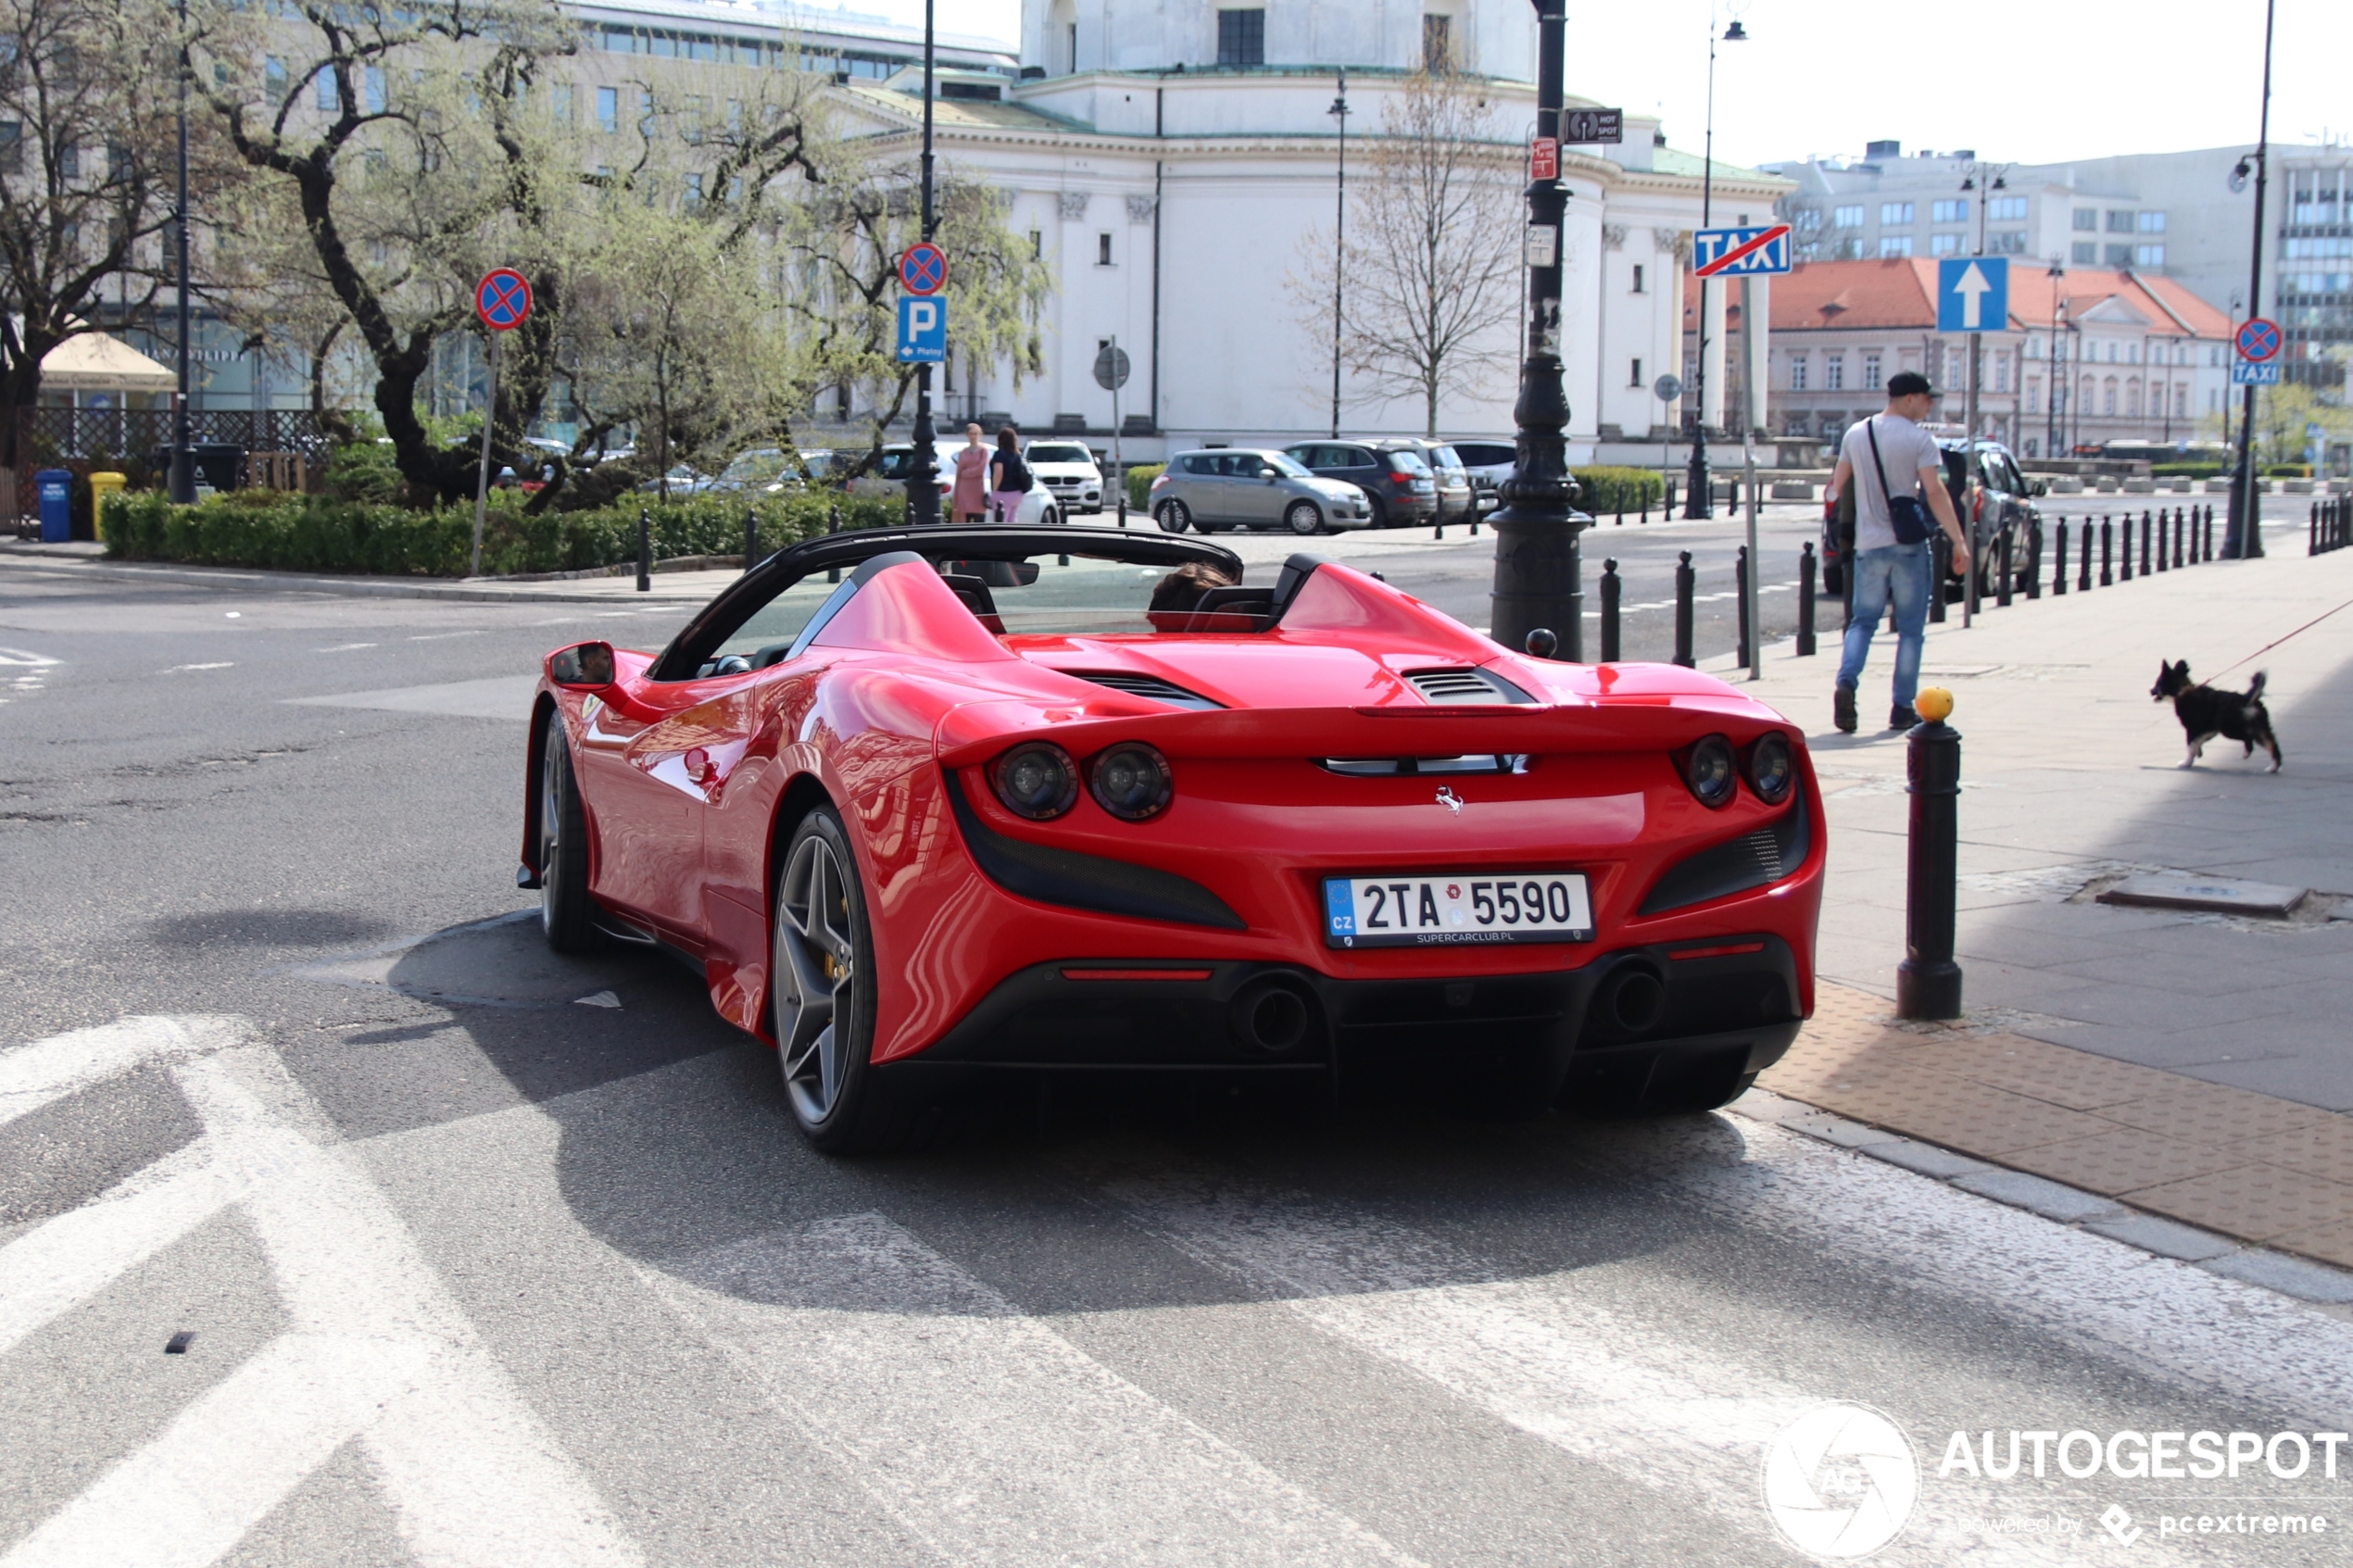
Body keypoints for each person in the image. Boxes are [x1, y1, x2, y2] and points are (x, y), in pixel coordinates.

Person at [1823, 372, 1971, 733]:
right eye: (1926, 398)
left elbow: (1835, 488)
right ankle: (1902, 708)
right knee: (1910, 630)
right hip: (1907, 546)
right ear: (1908, 398)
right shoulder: (1919, 440)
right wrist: (1959, 541)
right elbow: (1935, 493)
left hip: (1868, 546)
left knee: (1862, 622)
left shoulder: (1856, 434)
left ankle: (1846, 684)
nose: (1930, 404)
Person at [988, 427, 1029, 524]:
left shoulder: (999, 454)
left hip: (1003, 492)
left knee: (1000, 521)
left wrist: (994, 491)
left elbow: (998, 473)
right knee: (1012, 521)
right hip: (1017, 493)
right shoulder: (1017, 454)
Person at [950, 423, 990, 522]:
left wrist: (966, 473)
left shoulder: (983, 451)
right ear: (967, 435)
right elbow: (959, 474)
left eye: (975, 434)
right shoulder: (963, 452)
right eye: (971, 434)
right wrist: (955, 500)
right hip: (964, 490)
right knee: (965, 522)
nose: (973, 436)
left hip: (978, 490)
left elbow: (981, 469)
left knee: (979, 522)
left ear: (980, 435)